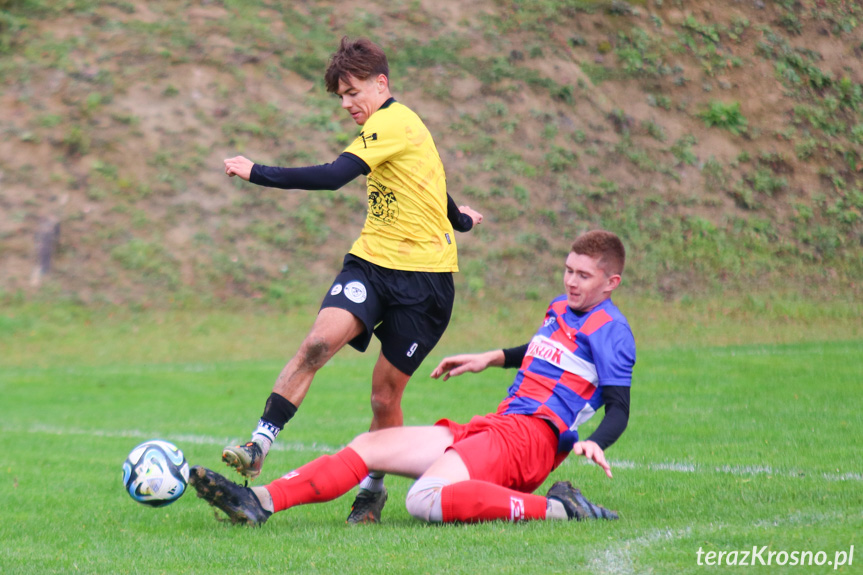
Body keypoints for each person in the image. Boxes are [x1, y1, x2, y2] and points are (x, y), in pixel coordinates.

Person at [190, 230, 635, 526]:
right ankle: (259, 501)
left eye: (583, 275)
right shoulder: (561, 307)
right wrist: (492, 357)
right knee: (369, 447)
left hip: (533, 440)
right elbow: (542, 356)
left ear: (611, 282)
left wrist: (598, 440)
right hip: (500, 428)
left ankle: (560, 509)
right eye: (568, 269)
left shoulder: (611, 331)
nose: (571, 281)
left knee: (423, 499)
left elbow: (619, 406)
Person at [219, 36, 483, 525]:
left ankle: (374, 488)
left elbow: (333, 175)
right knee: (319, 343)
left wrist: (256, 171)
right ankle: (259, 443)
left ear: (381, 83)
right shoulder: (393, 128)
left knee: (385, 397)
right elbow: (430, 182)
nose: (346, 104)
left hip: (426, 284)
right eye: (340, 96)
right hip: (371, 264)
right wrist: (461, 219)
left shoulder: (395, 122)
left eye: (352, 92)